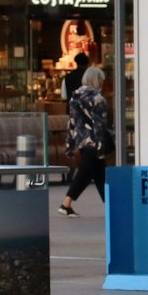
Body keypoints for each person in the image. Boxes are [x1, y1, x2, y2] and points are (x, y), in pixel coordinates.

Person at [58, 65, 111, 217]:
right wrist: (101, 147)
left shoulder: (75, 95)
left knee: (99, 173)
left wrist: (70, 144)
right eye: (101, 80)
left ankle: (110, 205)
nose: (102, 83)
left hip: (82, 140)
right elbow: (99, 124)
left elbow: (72, 121)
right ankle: (65, 203)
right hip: (94, 141)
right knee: (85, 173)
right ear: (97, 80)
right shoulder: (98, 99)